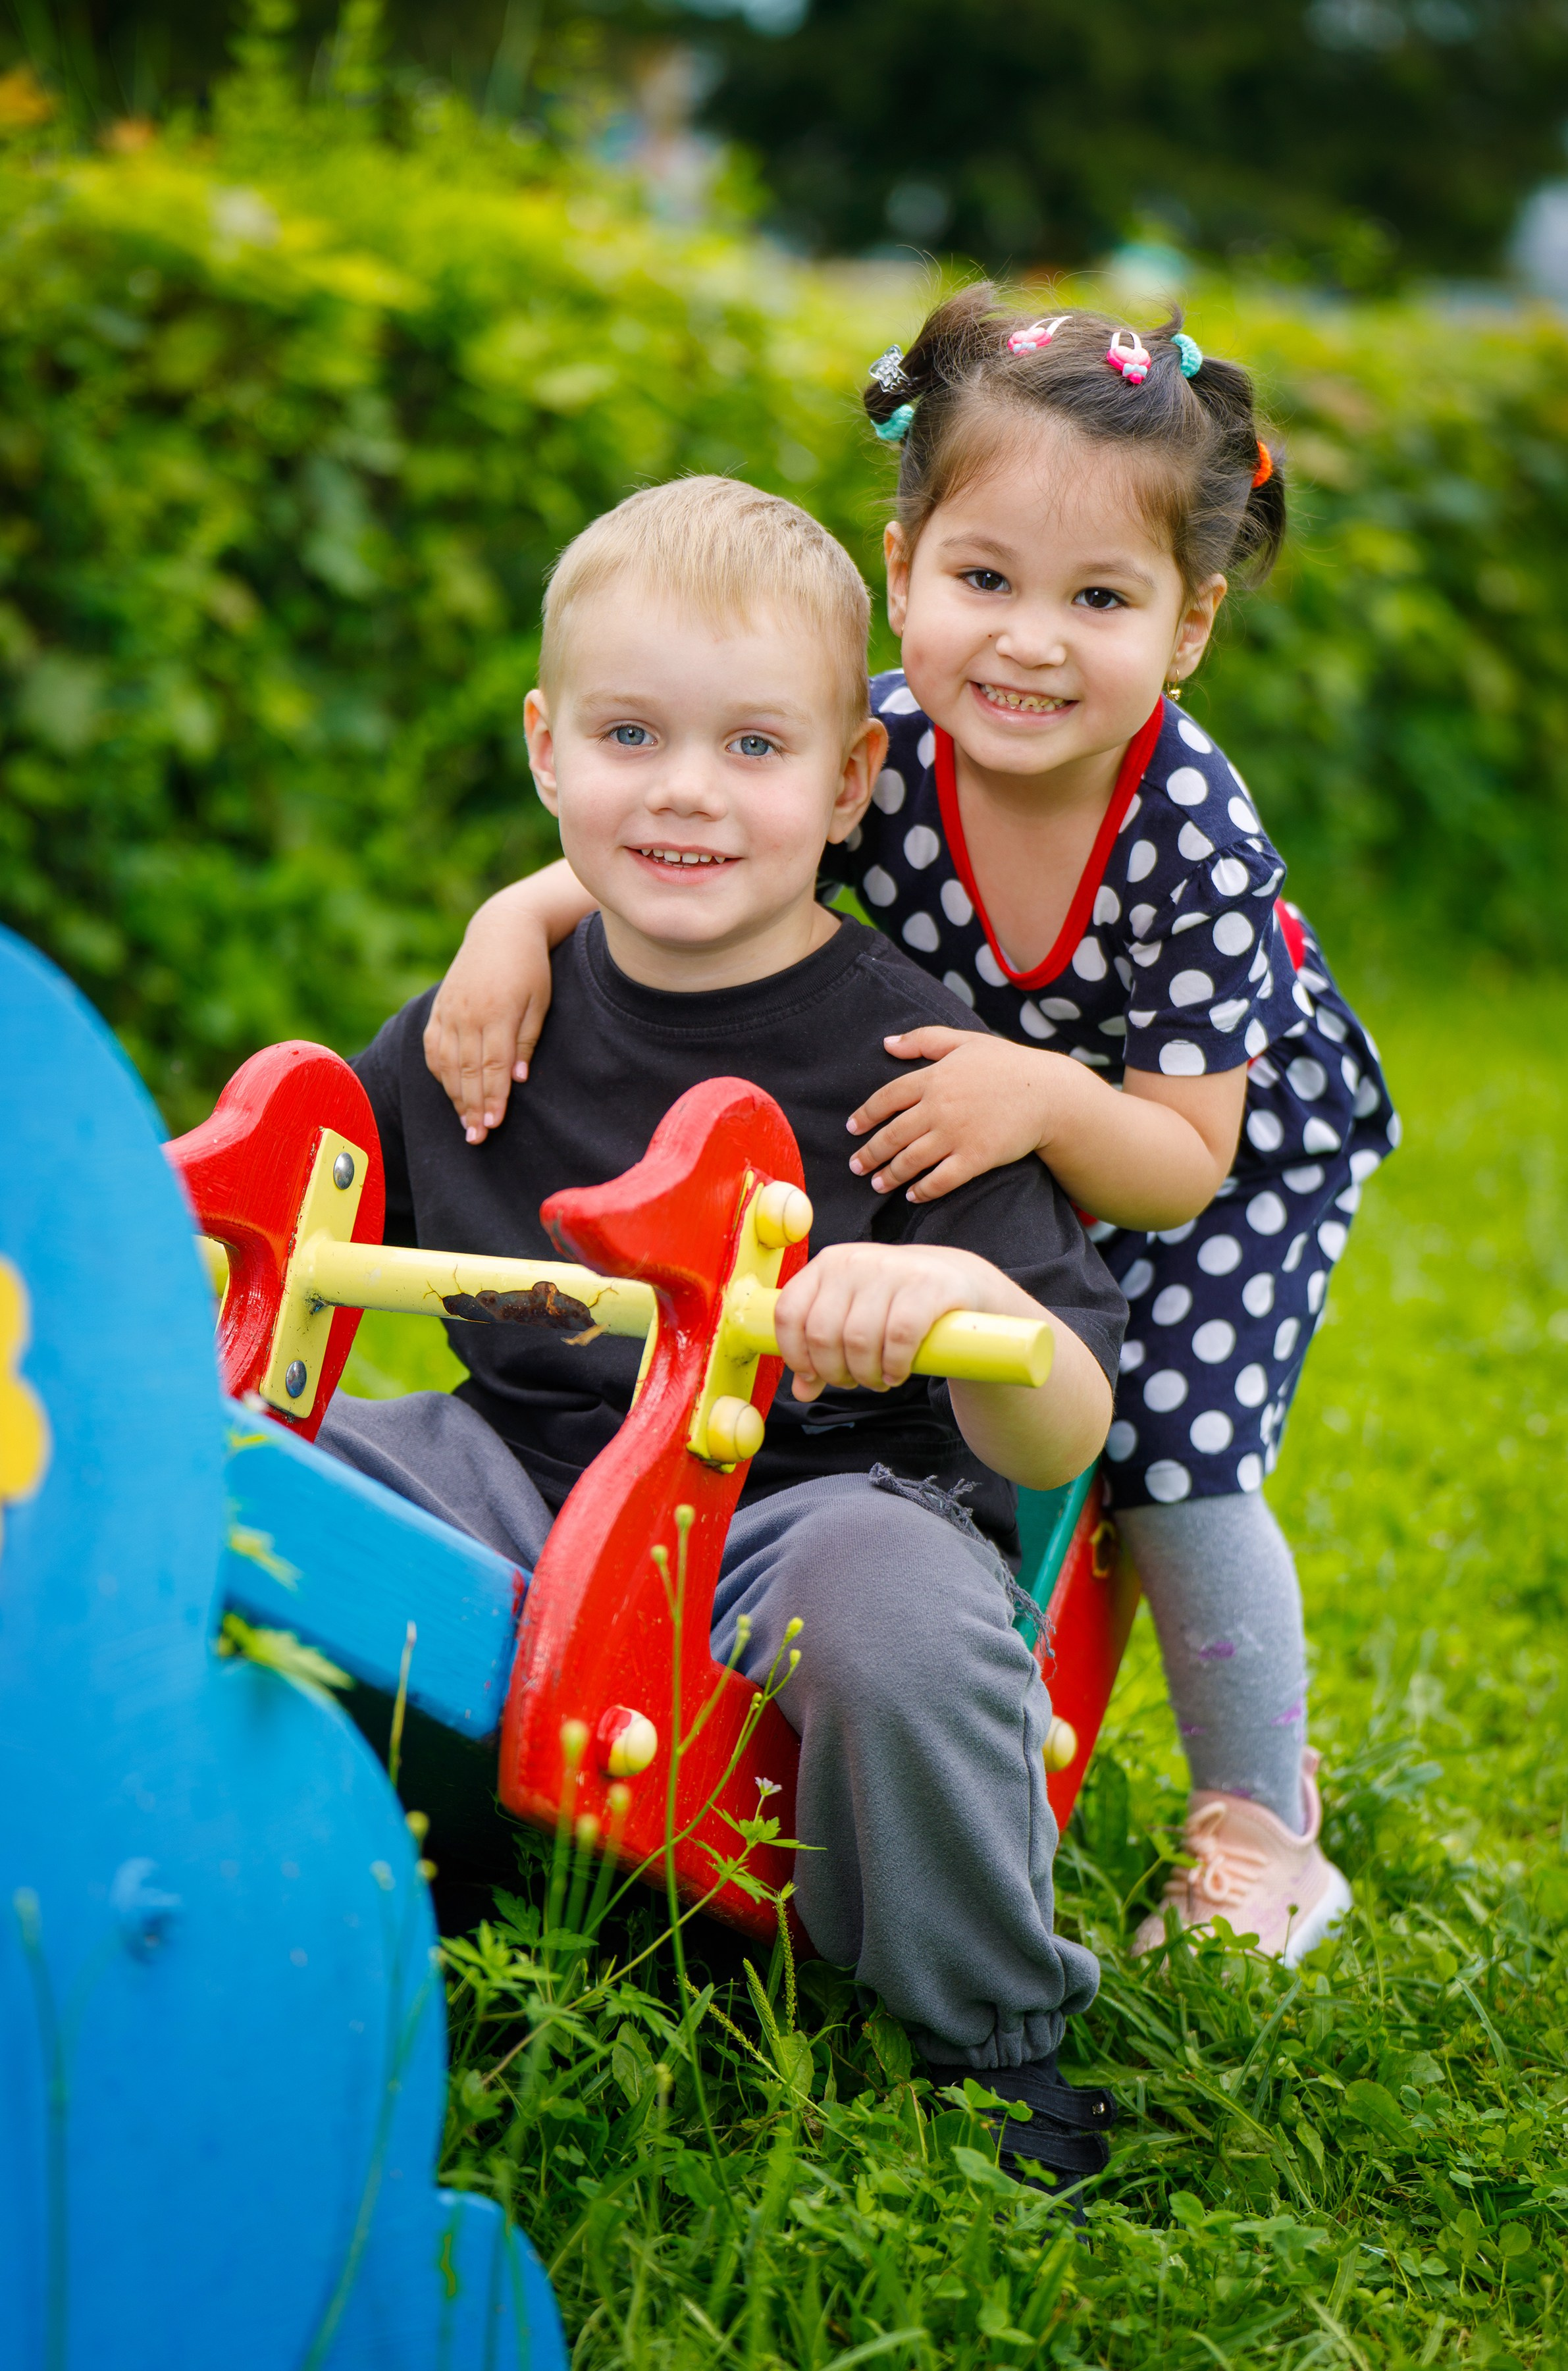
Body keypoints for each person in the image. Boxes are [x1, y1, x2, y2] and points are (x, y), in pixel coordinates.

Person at [421, 296, 1399, 1968]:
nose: (1025, 639)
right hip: (985, 1119)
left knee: (1165, 1437)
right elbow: (722, 821)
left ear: (1186, 626)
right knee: (950, 1379)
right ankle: (944, 1663)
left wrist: (1045, 1096)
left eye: (1097, 599)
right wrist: (510, 924)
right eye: (983, 579)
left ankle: (1255, 1818)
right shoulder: (878, 741)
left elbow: (1175, 1159)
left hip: (1214, 1127)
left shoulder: (1189, 840)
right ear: (902, 569)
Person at [325, 474, 1127, 2187]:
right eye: (629, 733)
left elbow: (1065, 1427)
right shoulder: (492, 1021)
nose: (684, 790)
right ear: (546, 750)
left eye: (753, 749)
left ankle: (989, 2038)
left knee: (895, 1617)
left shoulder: (910, 1066)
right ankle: (355, 1864)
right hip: (522, 1464)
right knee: (268, 1476)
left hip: (806, 1502)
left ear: (846, 784)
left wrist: (964, 1303)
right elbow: (327, 1226)